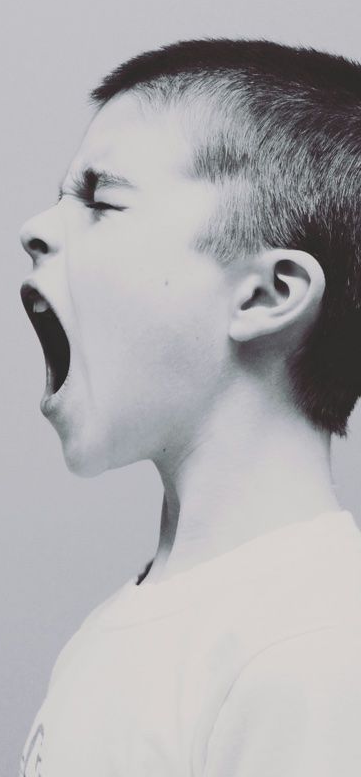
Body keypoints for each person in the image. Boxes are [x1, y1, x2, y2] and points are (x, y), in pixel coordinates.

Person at [18, 38, 361, 776]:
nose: (36, 229)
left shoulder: (318, 648)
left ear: (268, 295)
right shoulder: (121, 628)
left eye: (101, 202)